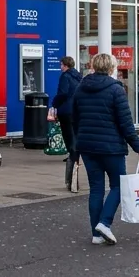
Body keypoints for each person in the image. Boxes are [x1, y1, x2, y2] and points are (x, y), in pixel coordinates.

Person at [72, 52, 139, 245]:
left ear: (94, 66)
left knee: (96, 189)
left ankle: (96, 234)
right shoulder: (116, 90)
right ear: (112, 68)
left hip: (87, 147)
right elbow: (126, 123)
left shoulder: (81, 88)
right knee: (118, 186)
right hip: (111, 147)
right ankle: (104, 223)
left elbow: (75, 119)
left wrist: (78, 143)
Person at [52, 55, 83, 185]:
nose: (60, 67)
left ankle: (73, 157)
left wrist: (55, 103)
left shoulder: (65, 76)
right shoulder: (78, 76)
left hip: (66, 110)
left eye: (61, 65)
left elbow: (63, 93)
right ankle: (75, 155)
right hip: (77, 109)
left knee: (67, 134)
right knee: (74, 133)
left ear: (65, 65)